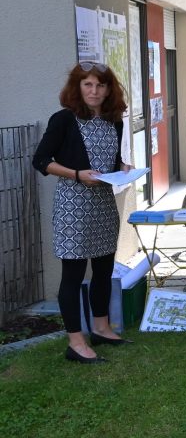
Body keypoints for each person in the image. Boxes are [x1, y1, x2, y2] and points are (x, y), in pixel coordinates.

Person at [32, 62, 132, 363]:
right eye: (87, 85)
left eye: (100, 85)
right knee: (73, 275)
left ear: (108, 89)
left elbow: (109, 162)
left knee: (103, 270)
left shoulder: (115, 121)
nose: (94, 91)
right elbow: (40, 160)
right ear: (77, 88)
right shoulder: (63, 119)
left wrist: (123, 168)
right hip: (72, 206)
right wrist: (76, 174)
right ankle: (76, 342)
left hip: (103, 205)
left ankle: (101, 328)